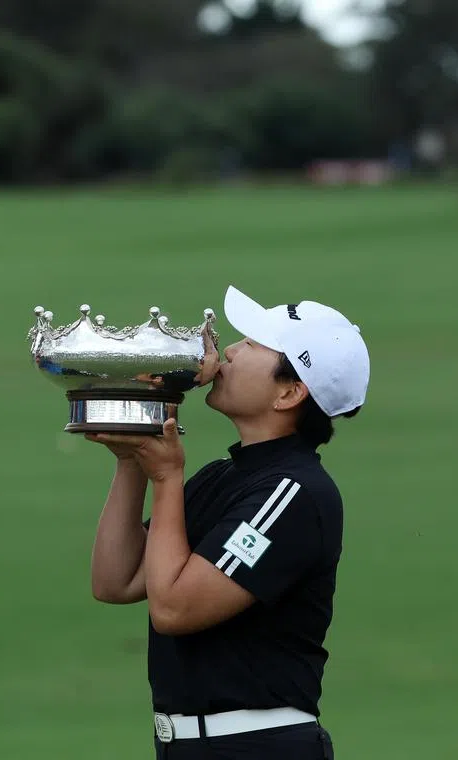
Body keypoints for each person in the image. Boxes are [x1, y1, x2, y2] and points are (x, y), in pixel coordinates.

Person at [87, 285, 370, 759]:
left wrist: (167, 474)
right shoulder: (226, 476)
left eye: (254, 344)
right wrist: (133, 455)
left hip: (256, 747)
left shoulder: (293, 495)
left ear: (290, 392)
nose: (230, 351)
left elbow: (175, 609)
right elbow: (115, 581)